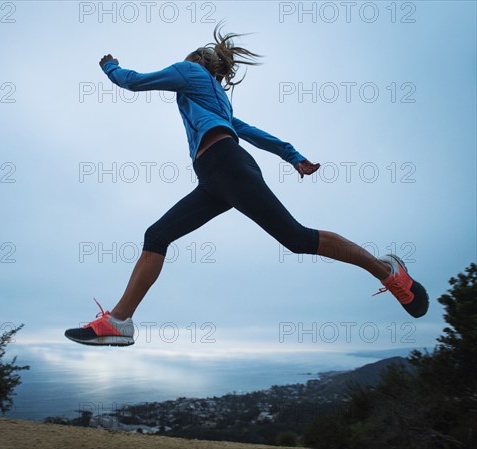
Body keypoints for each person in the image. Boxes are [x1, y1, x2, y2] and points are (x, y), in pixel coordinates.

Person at [65, 24, 428, 347]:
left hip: (227, 166)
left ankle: (387, 271)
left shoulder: (189, 71)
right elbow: (252, 132)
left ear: (196, 61)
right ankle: (119, 321)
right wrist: (291, 155)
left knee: (299, 239)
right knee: (157, 235)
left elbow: (133, 81)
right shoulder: (215, 100)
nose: (179, 64)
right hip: (213, 177)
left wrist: (109, 65)